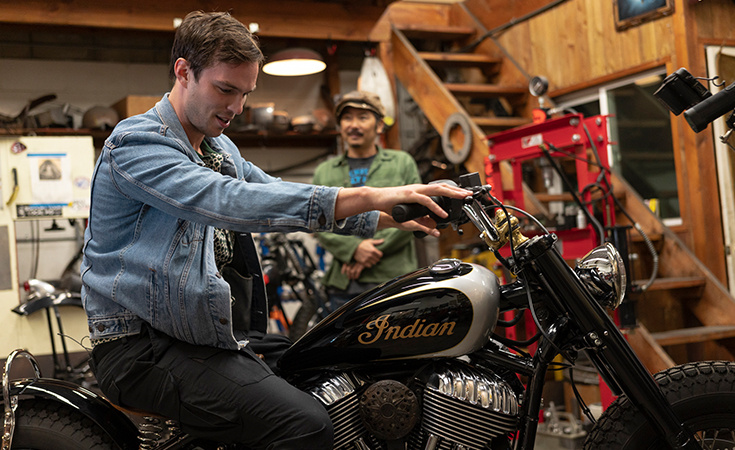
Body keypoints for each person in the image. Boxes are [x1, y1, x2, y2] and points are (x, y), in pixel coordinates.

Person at [80, 10, 470, 450]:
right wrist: (371, 195)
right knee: (306, 425)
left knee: (331, 370)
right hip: (141, 348)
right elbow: (227, 200)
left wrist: (392, 213)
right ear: (184, 72)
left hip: (200, 332)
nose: (237, 108)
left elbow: (270, 188)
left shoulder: (217, 147)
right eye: (225, 90)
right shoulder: (137, 143)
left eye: (245, 93)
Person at [314, 90, 421, 308]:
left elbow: (417, 213)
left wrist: (369, 252)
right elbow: (317, 221)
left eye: (363, 118)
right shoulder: (324, 171)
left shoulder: (402, 163)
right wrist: (353, 249)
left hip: (395, 278)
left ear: (379, 125)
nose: (354, 125)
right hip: (344, 284)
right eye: (347, 118)